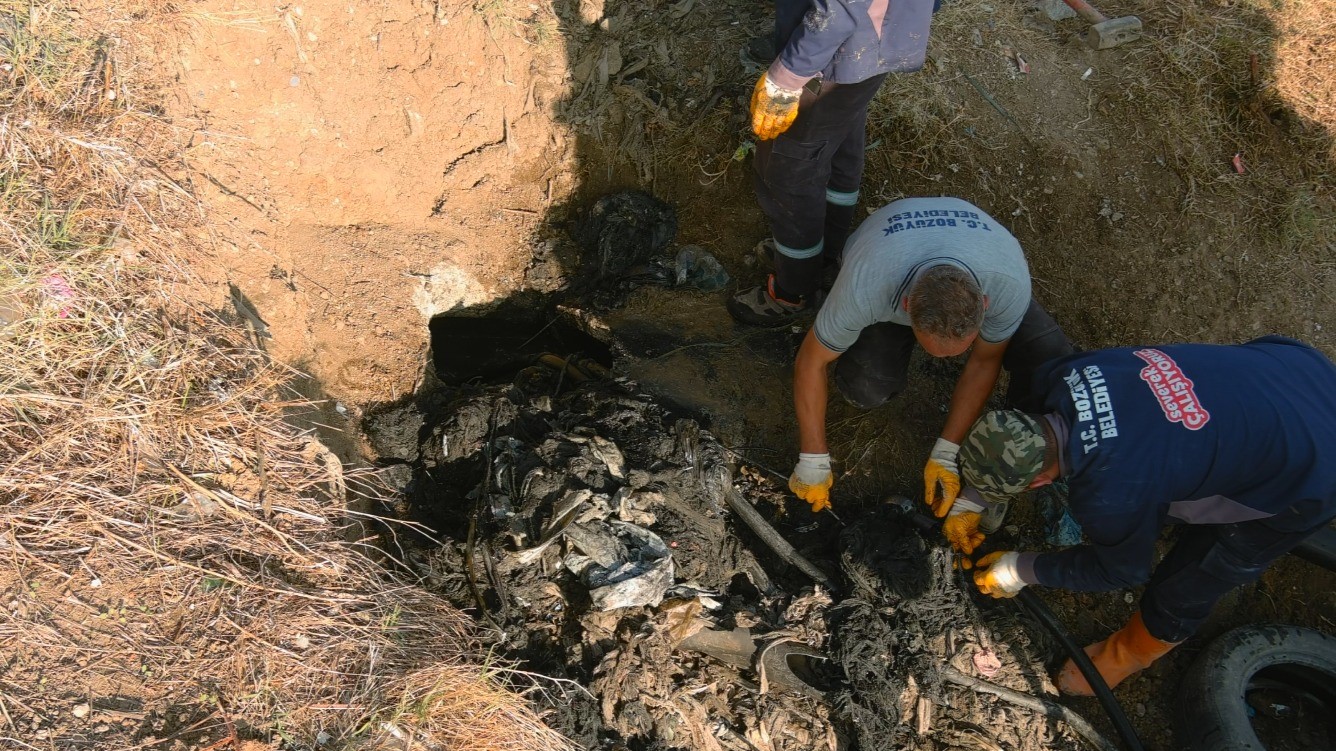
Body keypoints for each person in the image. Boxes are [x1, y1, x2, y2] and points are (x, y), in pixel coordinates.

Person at [954, 337, 1336, 695]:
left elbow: (1121, 571)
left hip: (1316, 469)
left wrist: (1020, 569)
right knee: (1183, 461)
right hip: (1295, 367)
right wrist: (971, 501)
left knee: (1204, 568)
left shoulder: (1111, 493)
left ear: (1038, 482)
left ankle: (1129, 651)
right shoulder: (1067, 374)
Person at [782, 196, 1074, 519]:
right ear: (906, 308)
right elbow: (811, 360)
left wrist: (946, 453)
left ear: (985, 305)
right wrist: (812, 460)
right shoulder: (866, 284)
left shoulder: (1008, 283)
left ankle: (1026, 446)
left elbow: (983, 362)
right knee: (863, 388)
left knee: (1051, 356)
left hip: (986, 257)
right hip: (886, 253)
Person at [729, 0, 938, 326]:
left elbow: (842, 4)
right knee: (839, 143)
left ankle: (793, 291)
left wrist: (789, 75)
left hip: (835, 47)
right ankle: (825, 253)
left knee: (787, 171)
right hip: (874, 38)